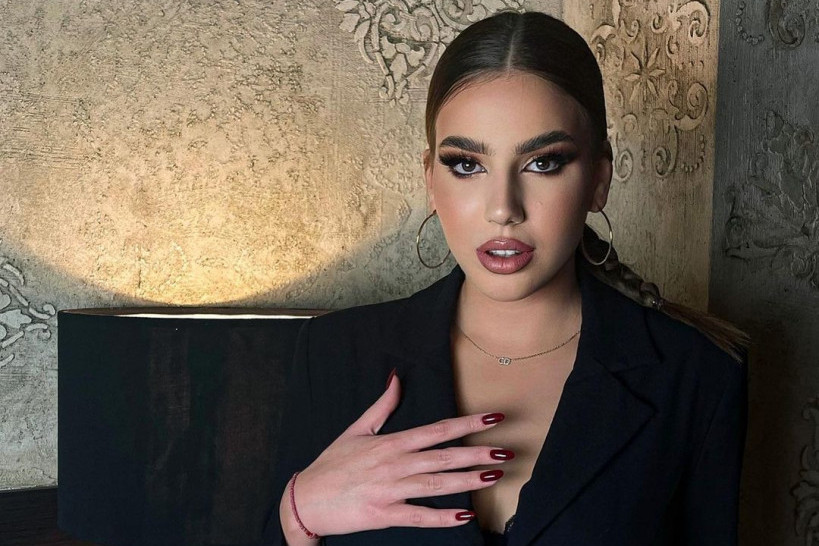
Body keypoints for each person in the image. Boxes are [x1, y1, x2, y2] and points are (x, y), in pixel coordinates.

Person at [263, 10, 749, 546]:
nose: (503, 208)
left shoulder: (697, 377)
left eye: (543, 163)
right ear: (430, 179)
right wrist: (297, 515)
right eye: (467, 165)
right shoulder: (333, 356)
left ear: (599, 178)